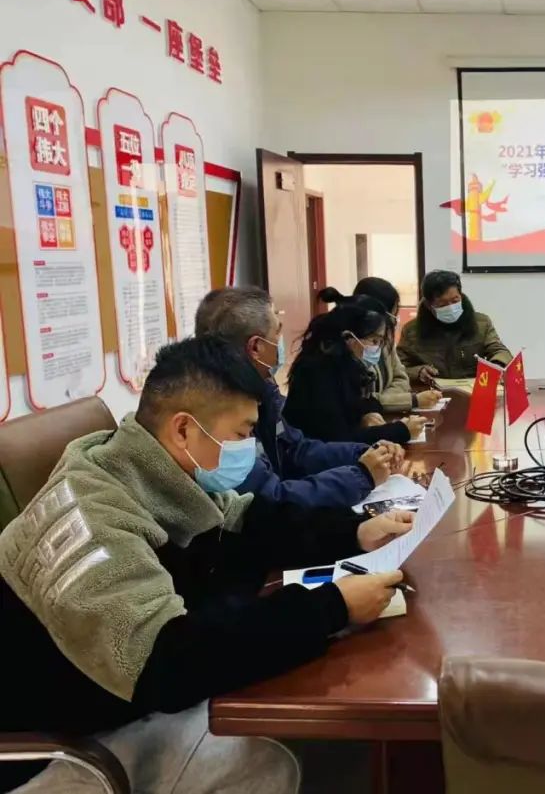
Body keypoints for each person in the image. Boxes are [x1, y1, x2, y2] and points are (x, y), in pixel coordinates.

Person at [0, 337, 410, 793]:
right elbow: (169, 664)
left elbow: (251, 522)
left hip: (117, 695)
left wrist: (355, 533)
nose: (250, 448)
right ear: (184, 430)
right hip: (57, 748)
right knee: (276, 757)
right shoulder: (98, 521)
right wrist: (332, 607)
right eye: (242, 434)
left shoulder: (150, 468)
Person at [195, 287, 399, 510]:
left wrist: (362, 452)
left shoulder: (263, 391)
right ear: (255, 347)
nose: (281, 341)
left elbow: (295, 449)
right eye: (277, 332)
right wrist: (361, 476)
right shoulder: (219, 414)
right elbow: (271, 500)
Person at [284, 297, 427, 446]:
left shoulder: (345, 366)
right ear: (348, 338)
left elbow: (358, 403)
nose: (378, 349)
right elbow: (340, 439)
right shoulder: (318, 372)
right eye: (374, 341)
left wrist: (369, 412)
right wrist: (401, 430)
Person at [321, 280, 443, 413]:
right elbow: (358, 401)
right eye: (393, 314)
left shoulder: (383, 339)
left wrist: (384, 401)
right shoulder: (345, 347)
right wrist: (410, 400)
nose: (394, 321)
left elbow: (401, 378)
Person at [398, 269, 511, 382]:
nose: (450, 307)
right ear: (429, 305)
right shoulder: (411, 331)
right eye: (442, 304)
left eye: (455, 301)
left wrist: (497, 365)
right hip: (432, 389)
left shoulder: (481, 323)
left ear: (460, 296)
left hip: (472, 387)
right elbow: (398, 367)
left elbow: (500, 351)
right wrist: (418, 372)